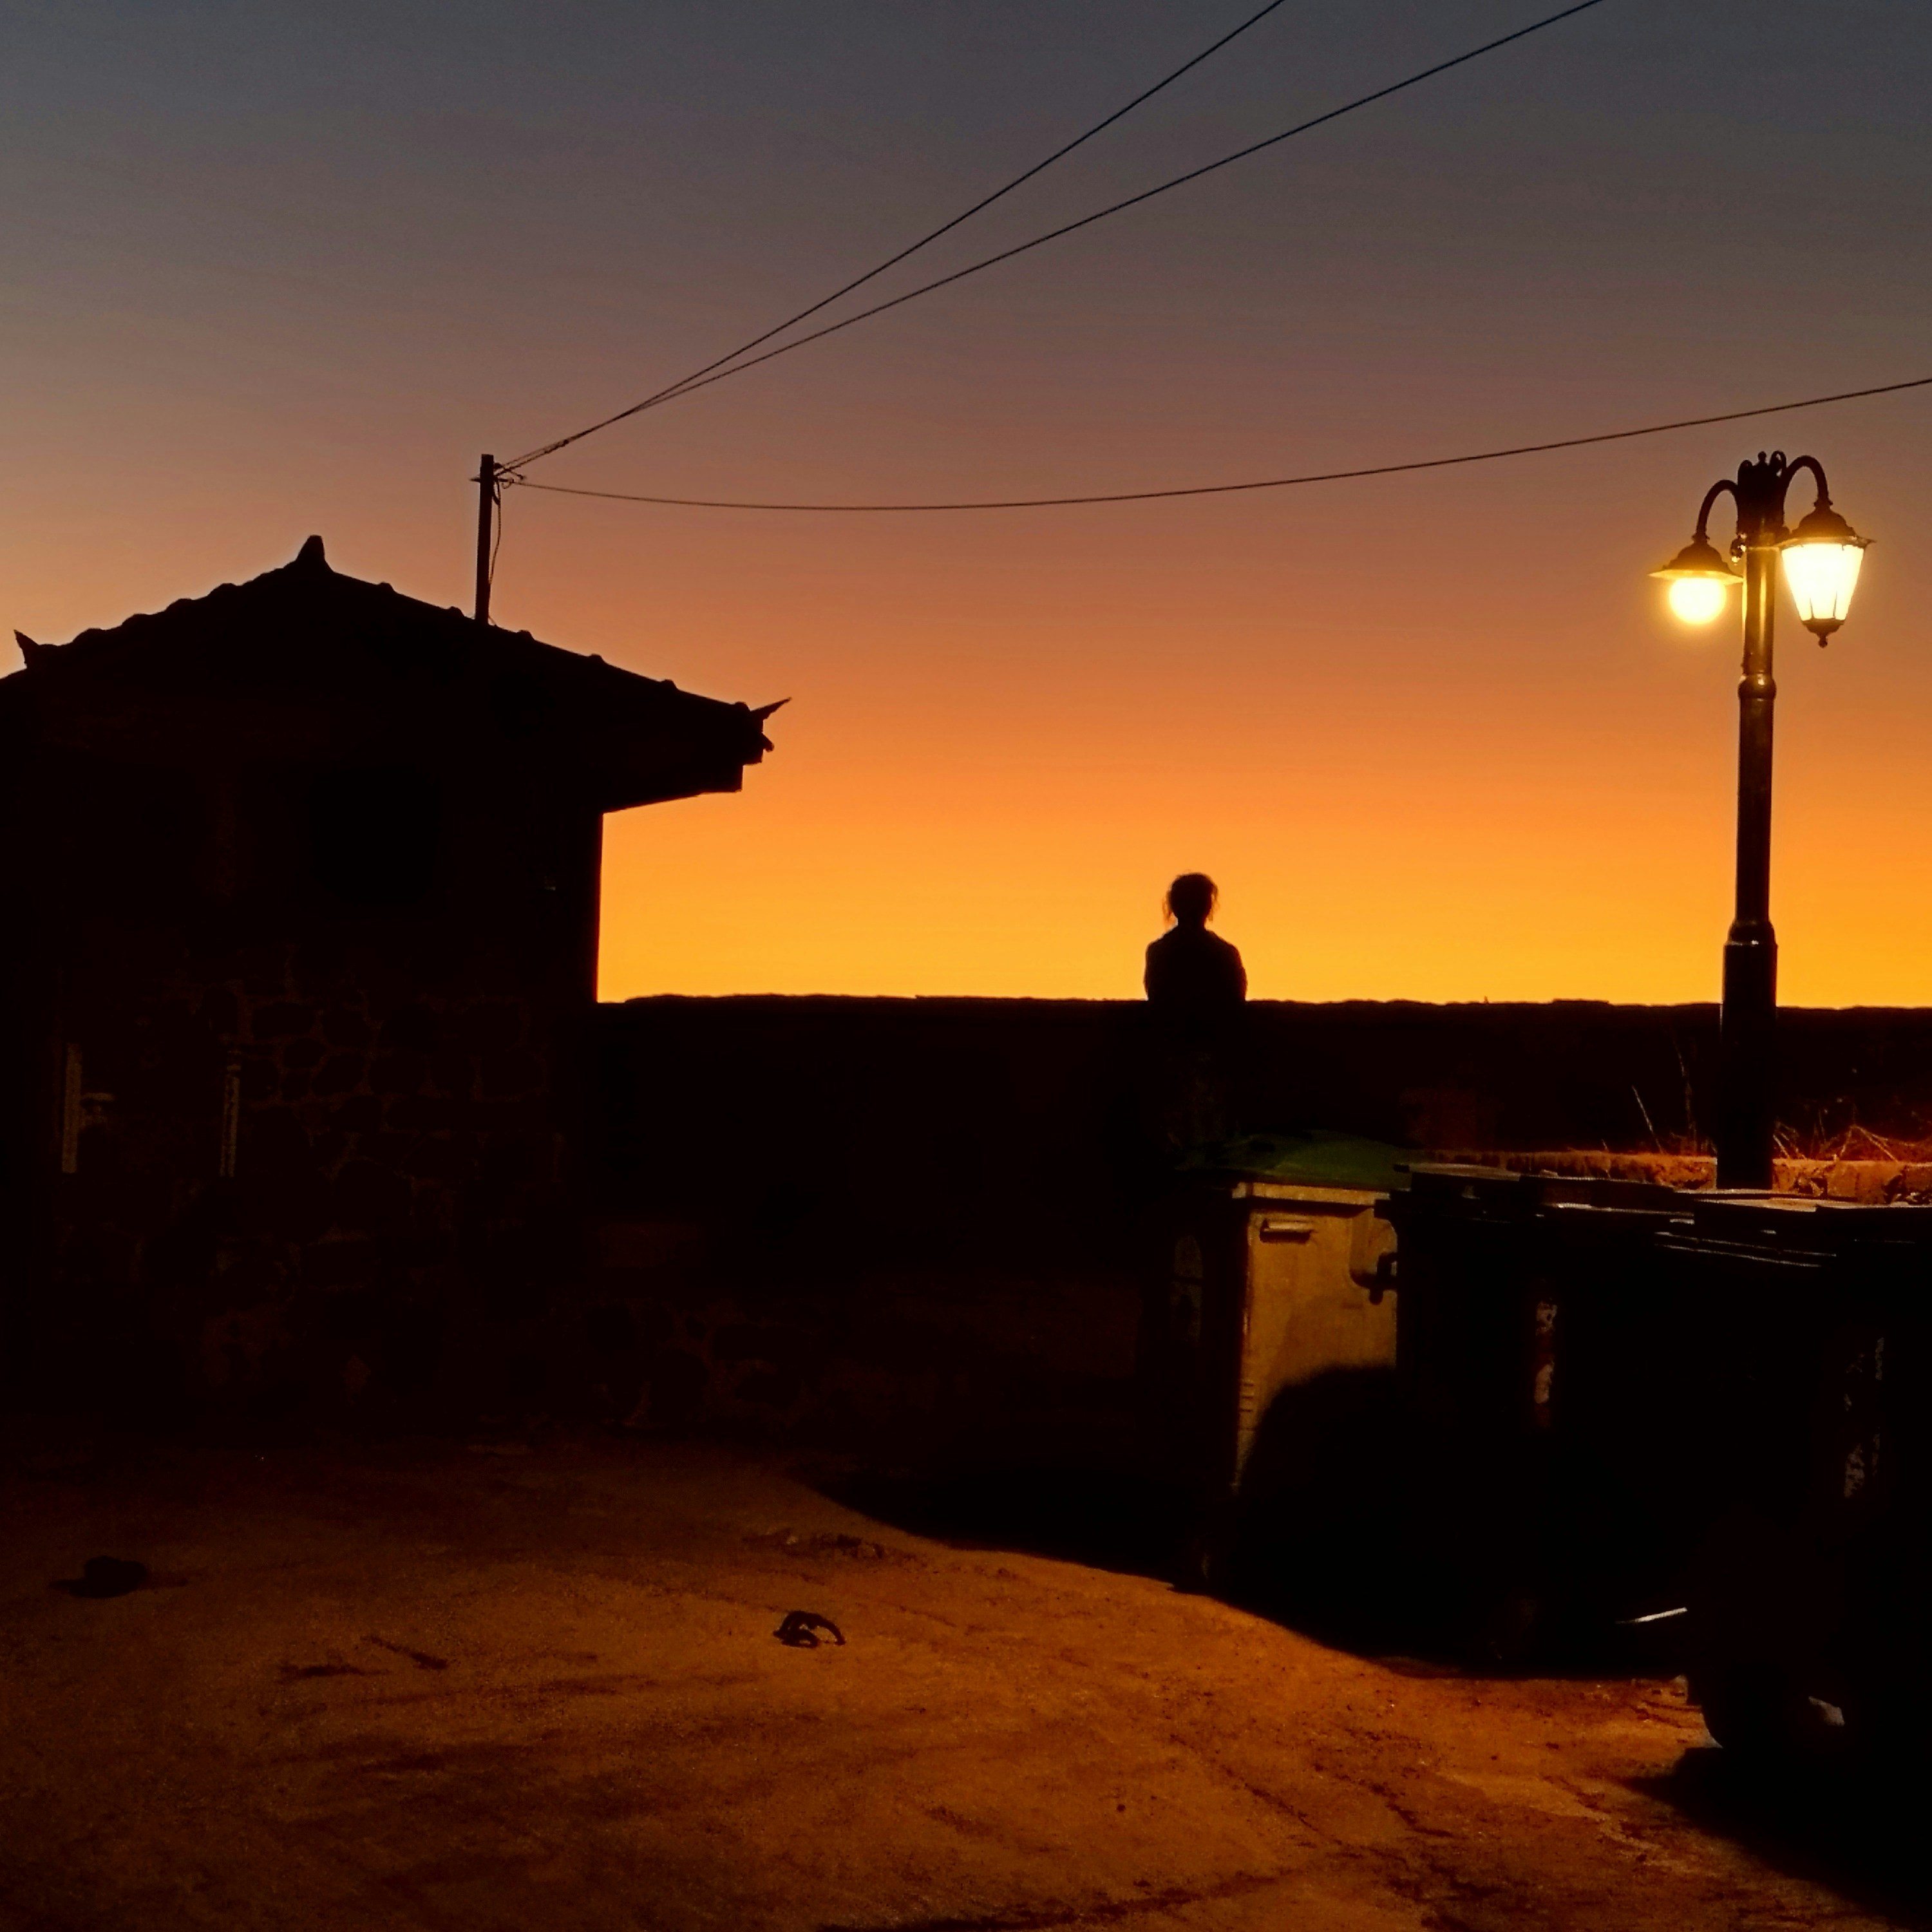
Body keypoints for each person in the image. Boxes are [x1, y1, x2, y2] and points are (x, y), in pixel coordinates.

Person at [1144, 873, 1246, 1019]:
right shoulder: (1226, 952)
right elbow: (1236, 1001)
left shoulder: (1158, 951)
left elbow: (1157, 999)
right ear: (1208, 906)